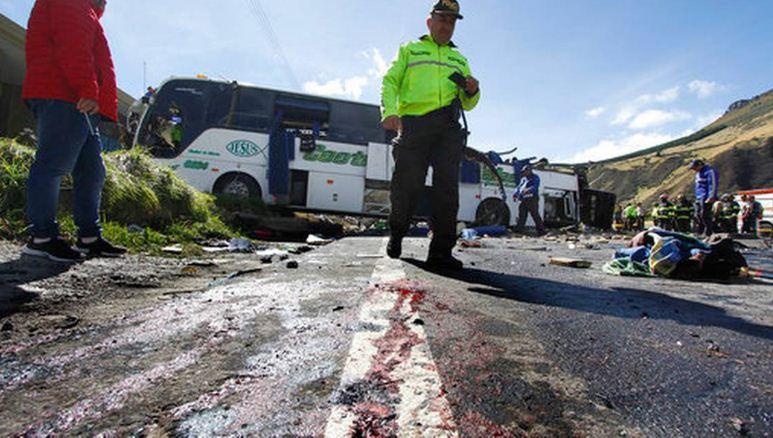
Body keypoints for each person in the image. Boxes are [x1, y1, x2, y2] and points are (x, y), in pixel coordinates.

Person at [21, 0, 126, 262]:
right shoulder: (69, 2)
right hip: (64, 95)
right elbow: (73, 48)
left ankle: (89, 238)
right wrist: (88, 90)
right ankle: (42, 238)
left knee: (92, 170)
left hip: (76, 99)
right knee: (52, 165)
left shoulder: (84, 10)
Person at [382, 0, 480, 270]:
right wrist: (389, 111)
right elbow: (390, 81)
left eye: (451, 21)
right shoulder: (410, 49)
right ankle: (398, 233)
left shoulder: (459, 59)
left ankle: (441, 251)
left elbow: (469, 102)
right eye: (442, 19)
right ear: (430, 22)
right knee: (407, 186)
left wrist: (472, 90)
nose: (446, 25)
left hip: (447, 128)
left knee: (447, 190)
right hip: (414, 125)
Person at [513, 165, 546, 236]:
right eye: (523, 172)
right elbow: (518, 187)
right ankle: (519, 229)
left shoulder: (535, 177)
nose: (524, 173)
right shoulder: (524, 179)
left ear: (530, 170)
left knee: (535, 214)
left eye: (525, 171)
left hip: (532, 199)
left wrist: (527, 190)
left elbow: (535, 187)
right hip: (524, 199)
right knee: (522, 214)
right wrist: (515, 193)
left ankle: (541, 231)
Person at [689, 159, 719, 236]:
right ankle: (700, 231)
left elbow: (712, 184)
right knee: (697, 215)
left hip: (706, 196)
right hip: (699, 196)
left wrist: (711, 196)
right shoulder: (698, 174)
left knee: (704, 214)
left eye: (695, 167)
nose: (694, 170)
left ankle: (708, 231)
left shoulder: (709, 172)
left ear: (700, 165)